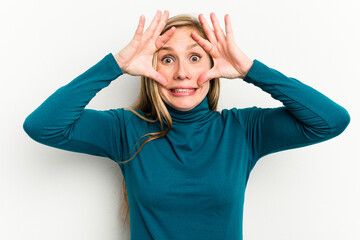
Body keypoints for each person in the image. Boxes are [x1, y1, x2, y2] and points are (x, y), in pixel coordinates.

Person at [23, 10, 350, 240]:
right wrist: (117, 65)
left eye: (195, 57)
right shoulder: (126, 129)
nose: (182, 73)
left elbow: (330, 121)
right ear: (151, 69)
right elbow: (43, 126)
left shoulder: (242, 130)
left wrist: (250, 68)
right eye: (167, 59)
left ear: (214, 65)